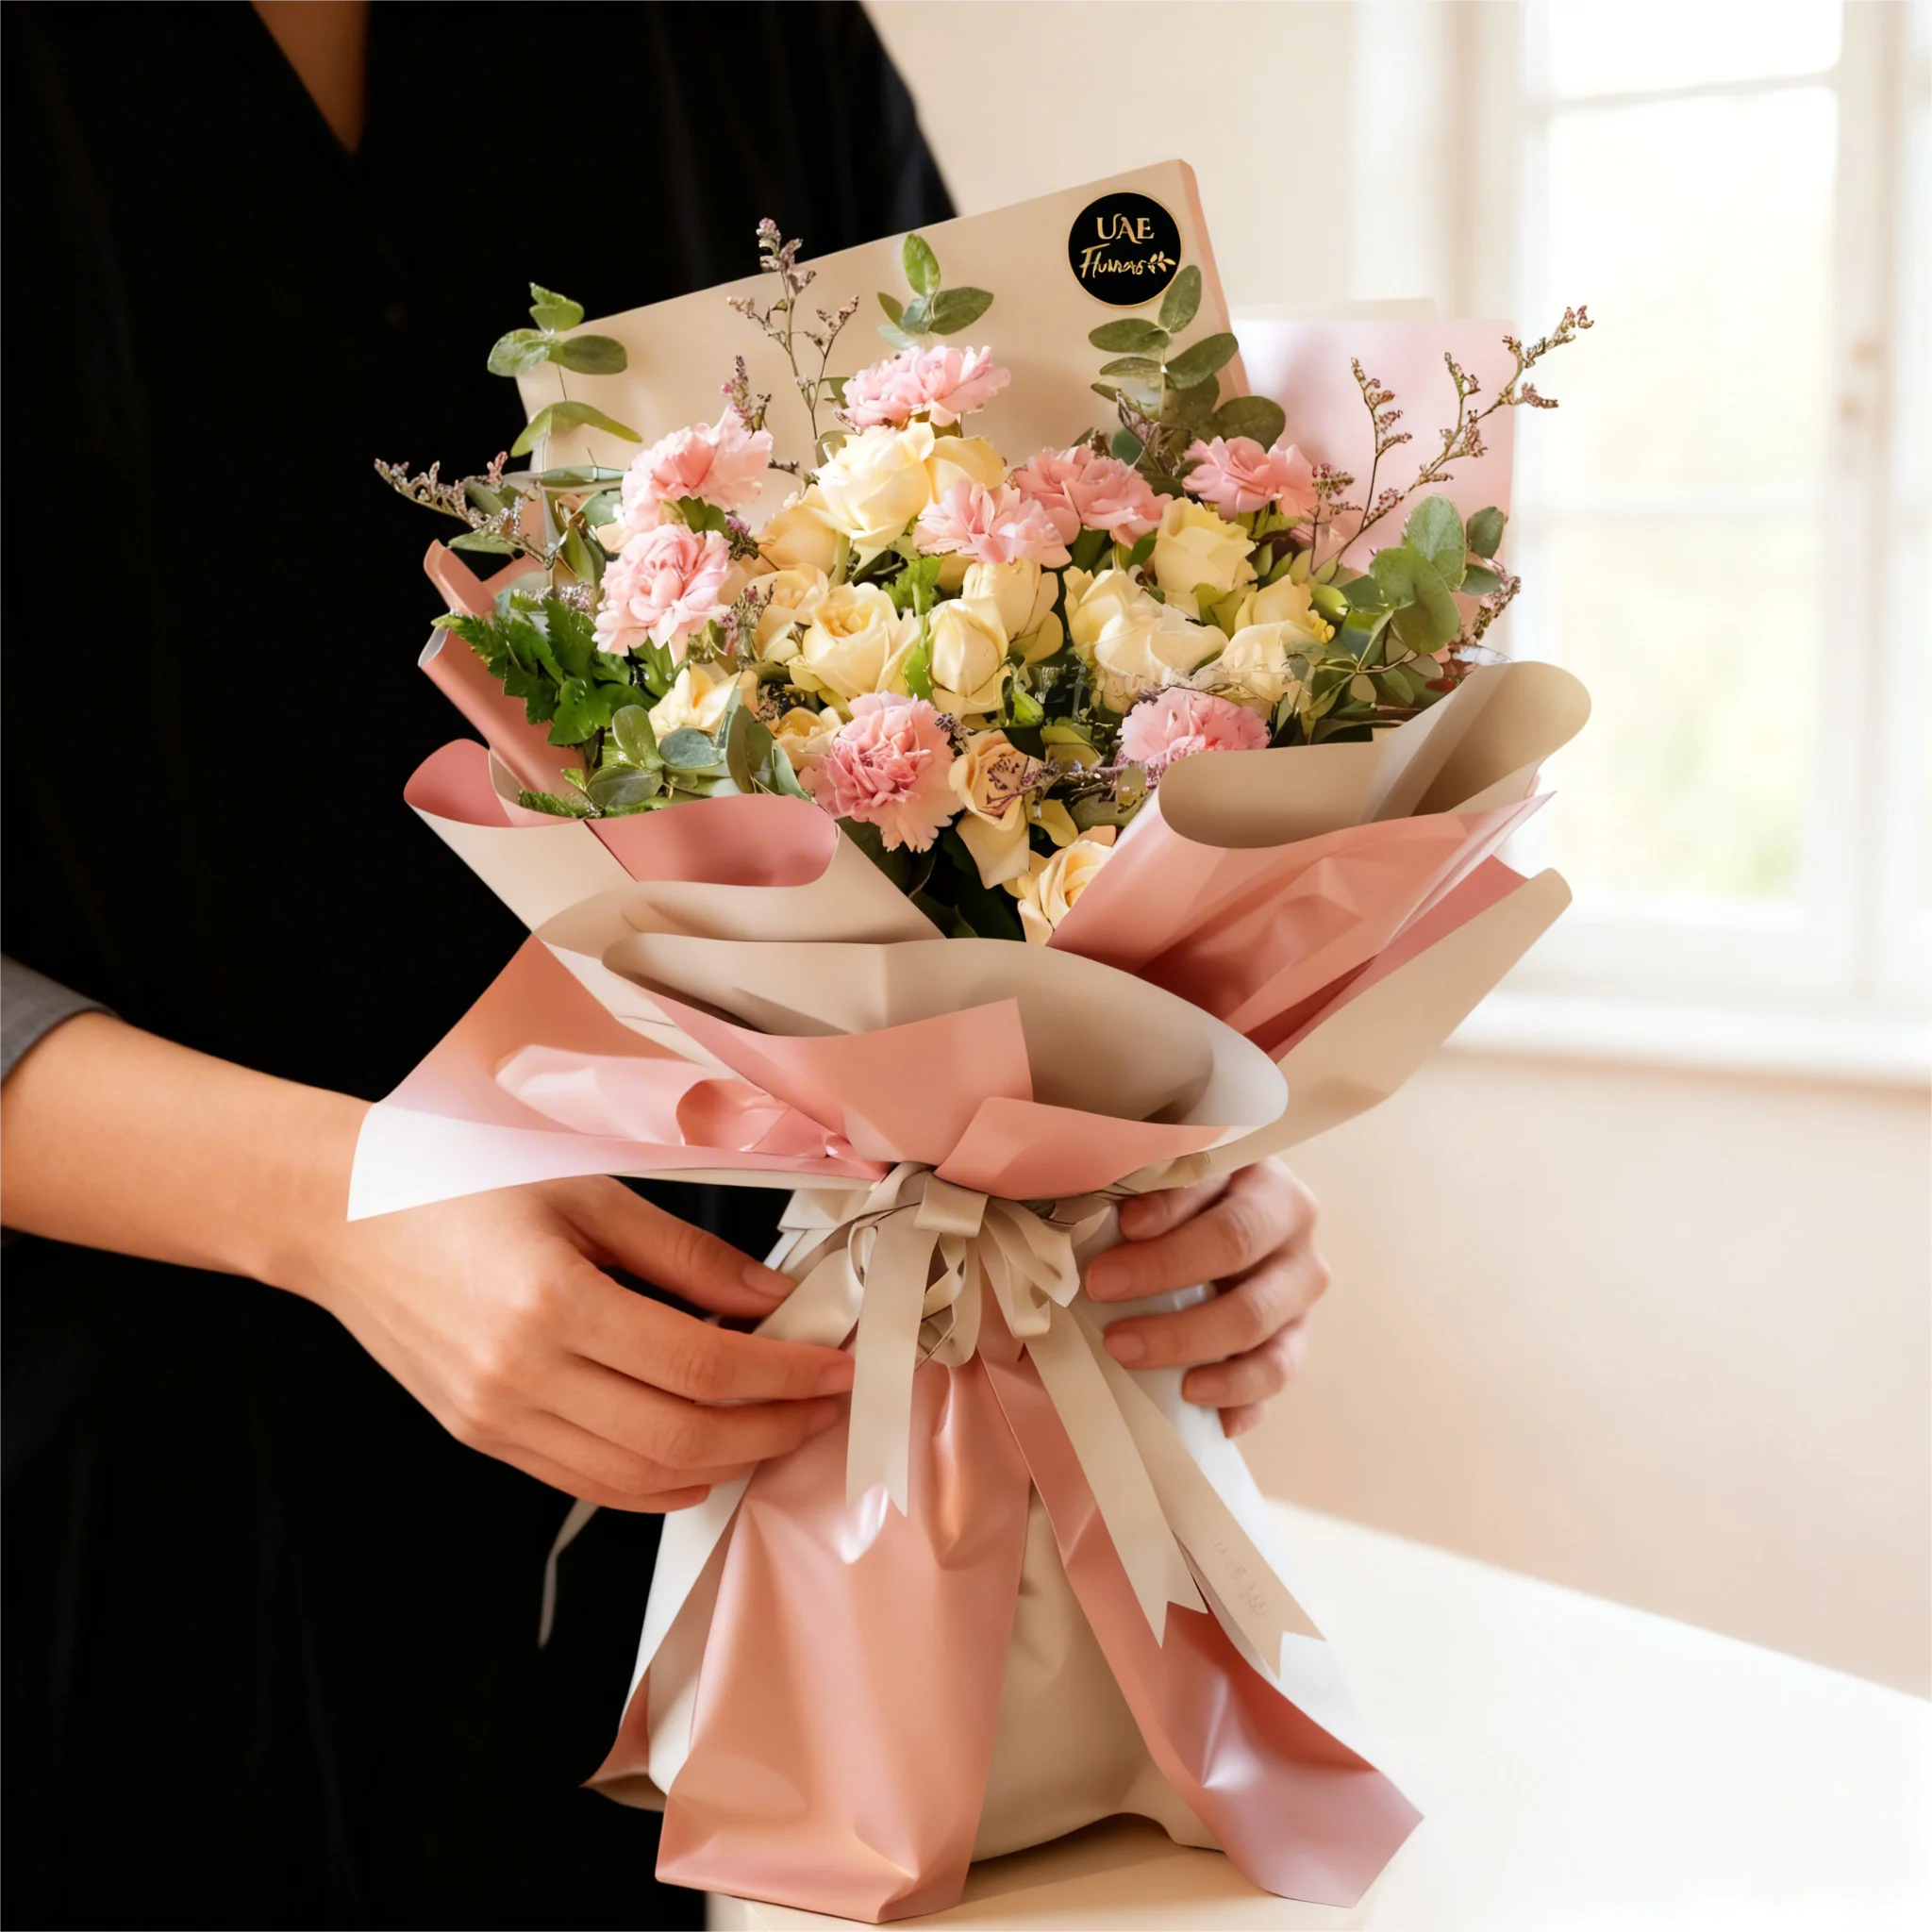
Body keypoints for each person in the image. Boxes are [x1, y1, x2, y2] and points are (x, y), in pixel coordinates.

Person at [0, 2, 1332, 1924]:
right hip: (95, 1558)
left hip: (721, 1533)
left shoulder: (752, 36)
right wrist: (337, 1202)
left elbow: (1017, 696)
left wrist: (1168, 1137)